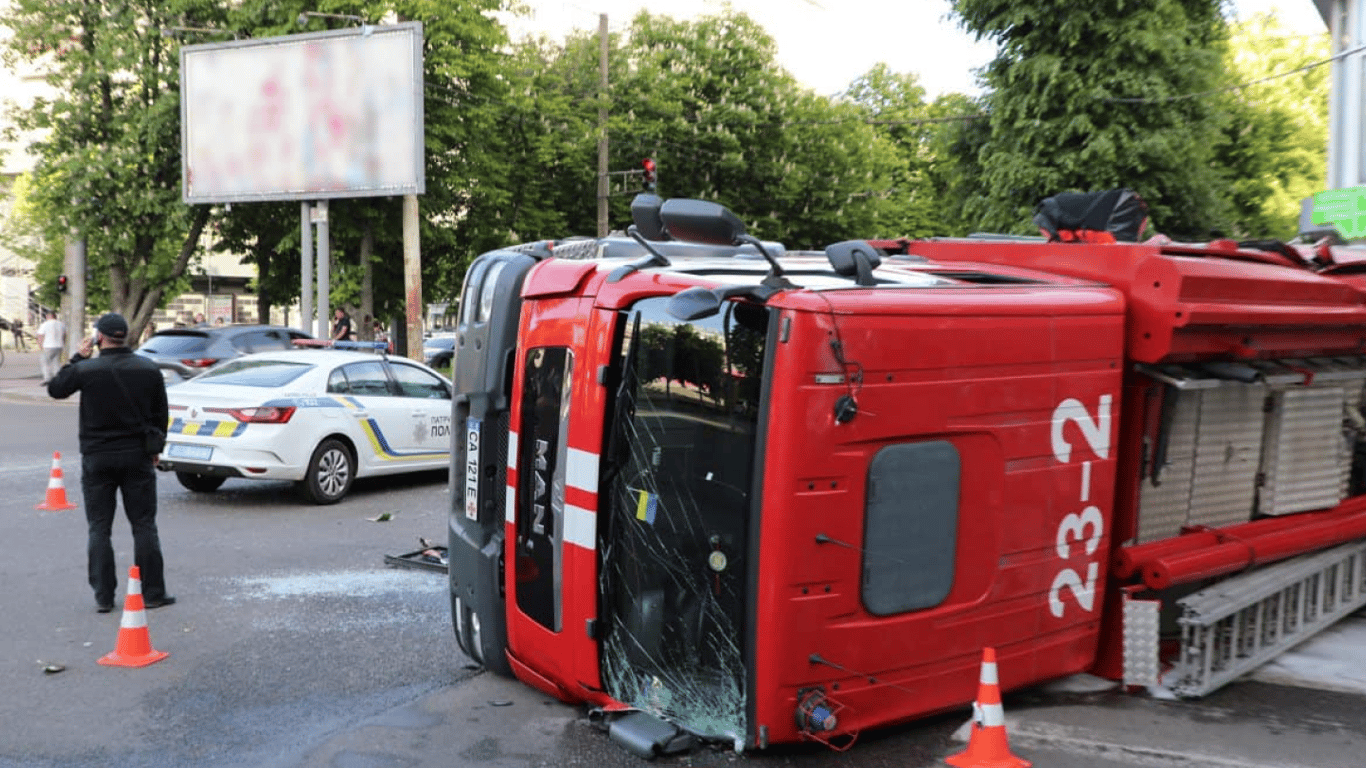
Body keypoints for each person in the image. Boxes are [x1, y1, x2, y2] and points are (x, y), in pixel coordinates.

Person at [48, 313, 174, 613]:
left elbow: (56, 389)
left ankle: (104, 597)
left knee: (99, 527)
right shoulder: (148, 369)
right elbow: (160, 415)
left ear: (99, 337)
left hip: (97, 457)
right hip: (137, 457)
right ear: (126, 336)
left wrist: (78, 357)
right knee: (144, 525)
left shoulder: (88, 369)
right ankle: (153, 593)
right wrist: (156, 448)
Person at [36, 310, 65, 384]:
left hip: (48, 346)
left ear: (47, 316)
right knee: (56, 362)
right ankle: (58, 377)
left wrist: (40, 345)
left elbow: (40, 335)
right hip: (59, 345)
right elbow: (64, 335)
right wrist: (63, 343)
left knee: (45, 362)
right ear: (55, 316)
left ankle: (47, 378)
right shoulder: (61, 324)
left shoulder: (45, 324)